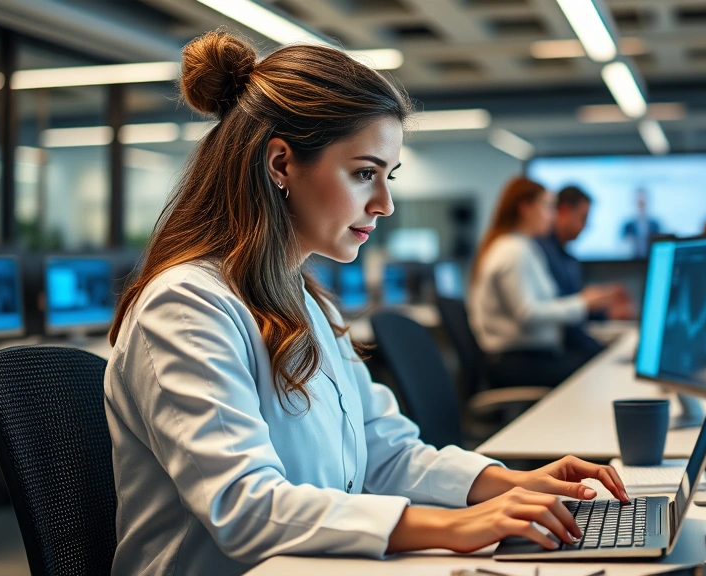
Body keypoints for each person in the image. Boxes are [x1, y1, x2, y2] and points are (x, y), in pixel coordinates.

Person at [104, 31, 627, 576]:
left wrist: (513, 484)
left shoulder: (307, 301)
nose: (385, 203)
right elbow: (245, 506)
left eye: (388, 176)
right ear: (280, 164)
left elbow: (385, 448)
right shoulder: (187, 306)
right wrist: (458, 526)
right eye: (363, 174)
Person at [468, 177, 624, 389]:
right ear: (525, 208)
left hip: (528, 358)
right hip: (517, 363)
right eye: (548, 207)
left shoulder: (525, 248)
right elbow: (528, 314)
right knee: (598, 373)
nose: (552, 217)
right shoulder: (513, 251)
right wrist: (583, 303)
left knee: (596, 369)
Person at [536, 185, 633, 358]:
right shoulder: (541, 253)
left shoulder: (567, 258)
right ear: (564, 211)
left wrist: (603, 308)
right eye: (583, 217)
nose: (586, 226)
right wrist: (600, 352)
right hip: (549, 351)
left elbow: (573, 310)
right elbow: (564, 318)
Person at [621, 187, 662, 258]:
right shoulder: (627, 226)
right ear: (634, 203)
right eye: (639, 203)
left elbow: (660, 247)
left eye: (643, 203)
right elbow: (622, 249)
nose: (641, 206)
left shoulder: (655, 225)